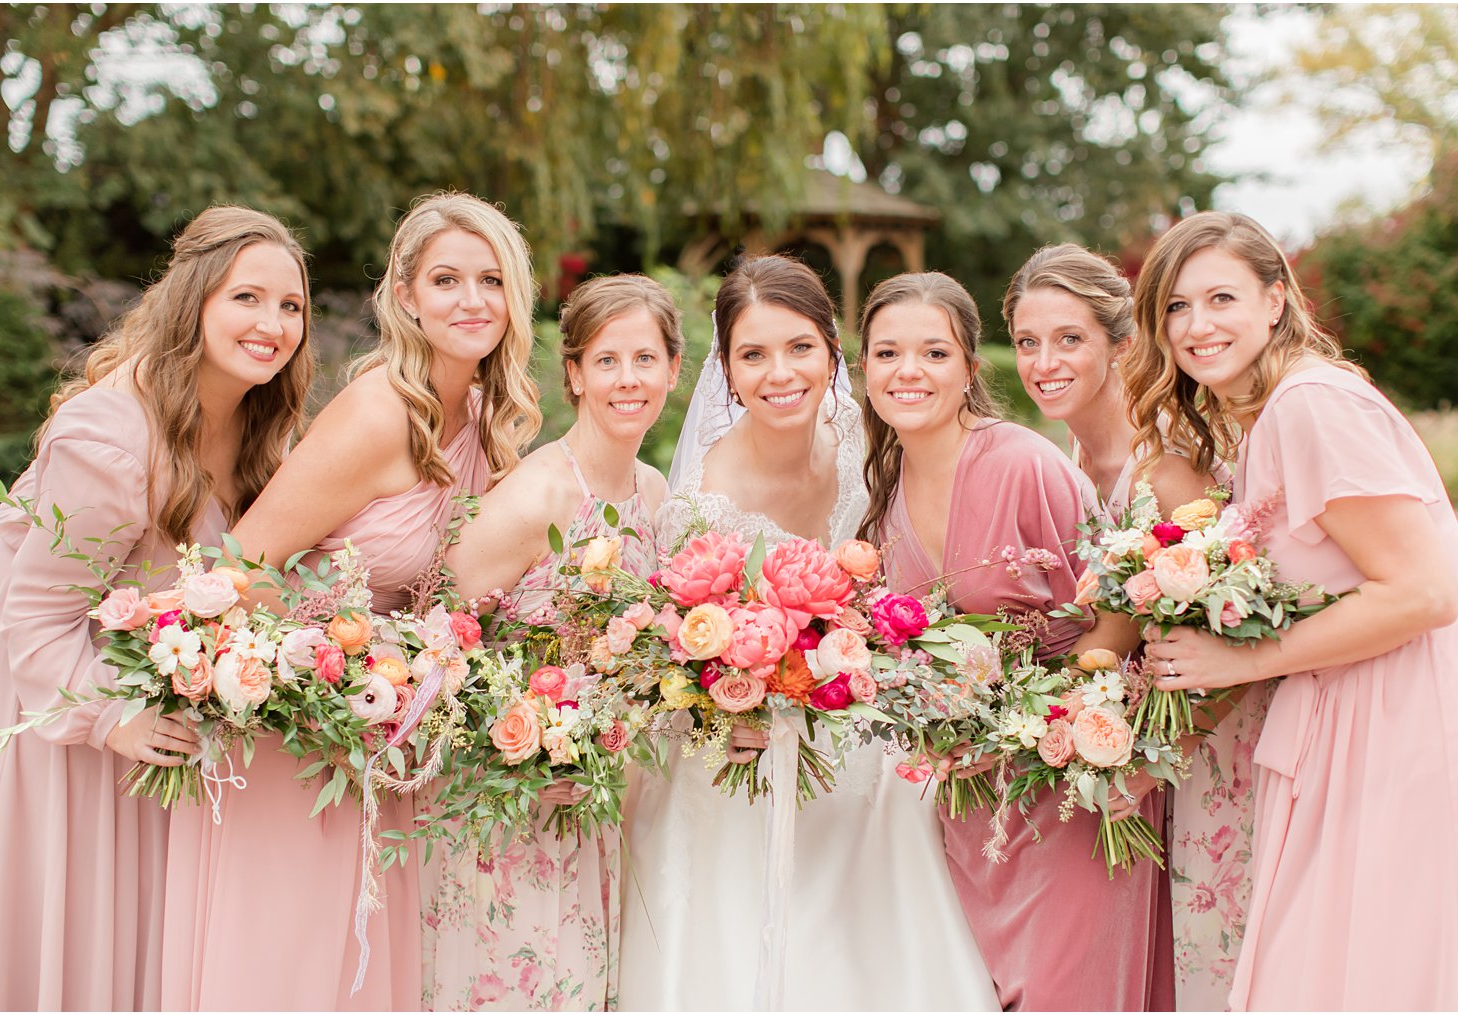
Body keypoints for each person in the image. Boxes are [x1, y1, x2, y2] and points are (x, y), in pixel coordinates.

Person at [159, 191, 541, 1010]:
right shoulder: (377, 412)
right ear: (406, 295)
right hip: (297, 737)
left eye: (490, 280)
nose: (471, 300)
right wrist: (319, 683)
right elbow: (239, 572)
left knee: (361, 975)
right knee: (287, 972)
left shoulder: (488, 416)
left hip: (381, 741)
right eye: (446, 279)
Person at [618, 254, 1000, 1011]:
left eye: (799, 347)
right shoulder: (705, 498)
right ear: (725, 371)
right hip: (745, 754)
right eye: (752, 355)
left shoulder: (871, 449)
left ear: (833, 352)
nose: (779, 373)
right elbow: (677, 656)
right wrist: (723, 713)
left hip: (860, 731)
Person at [0, 206, 313, 1010]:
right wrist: (110, 715)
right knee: (75, 902)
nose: (272, 324)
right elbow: (38, 613)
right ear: (193, 301)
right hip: (49, 674)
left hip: (141, 660)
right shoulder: (111, 436)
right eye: (246, 298)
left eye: (290, 305)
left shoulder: (261, 426)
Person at [1132, 211, 1458, 1011]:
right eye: (1176, 307)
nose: (1196, 324)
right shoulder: (1269, 418)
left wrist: (1243, 659)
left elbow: (1423, 590)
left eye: (1221, 297)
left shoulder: (1311, 405)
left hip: (1397, 719)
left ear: (1276, 300)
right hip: (1347, 713)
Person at [863, 270, 1173, 1010]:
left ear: (972, 368)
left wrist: (1050, 725)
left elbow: (1119, 604)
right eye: (886, 353)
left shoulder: (1022, 464)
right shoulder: (885, 489)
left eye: (934, 353)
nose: (908, 371)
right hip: (971, 808)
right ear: (864, 369)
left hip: (1068, 792)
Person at [1003, 243, 1258, 1008]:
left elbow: (1234, 637)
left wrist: (1151, 752)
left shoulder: (1167, 467)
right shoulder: (1066, 454)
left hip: (1195, 753)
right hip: (1125, 754)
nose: (1043, 362)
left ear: (1122, 344)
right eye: (1026, 342)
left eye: (1069, 338)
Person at [419, 273, 680, 1010]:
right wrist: (520, 747)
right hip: (501, 804)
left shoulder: (655, 494)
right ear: (573, 374)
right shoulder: (539, 495)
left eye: (644, 359)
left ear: (671, 369)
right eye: (606, 360)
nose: (627, 380)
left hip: (592, 803)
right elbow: (435, 640)